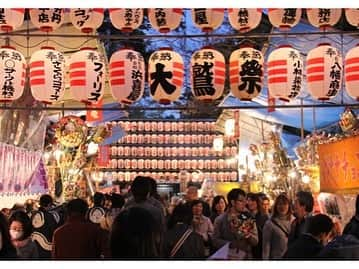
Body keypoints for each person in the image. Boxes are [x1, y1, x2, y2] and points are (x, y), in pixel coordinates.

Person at [212, 188, 258, 259]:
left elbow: (255, 241)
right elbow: (215, 240)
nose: (245, 203)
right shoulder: (220, 219)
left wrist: (248, 236)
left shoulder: (248, 218)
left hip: (245, 257)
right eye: (241, 201)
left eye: (245, 200)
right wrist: (230, 244)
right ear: (233, 202)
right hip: (227, 257)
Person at [262, 193, 294, 259]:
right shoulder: (270, 224)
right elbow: (266, 246)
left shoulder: (294, 221)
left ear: (289, 206)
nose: (282, 207)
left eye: (285, 204)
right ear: (276, 206)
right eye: (279, 204)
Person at [31, 194, 59, 258]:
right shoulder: (49, 216)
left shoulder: (32, 215)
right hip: (47, 250)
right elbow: (55, 232)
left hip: (33, 248)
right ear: (49, 204)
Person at [246, 192, 268, 259]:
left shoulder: (264, 216)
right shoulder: (246, 216)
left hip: (261, 247)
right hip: (249, 247)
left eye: (252, 200)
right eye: (248, 200)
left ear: (257, 202)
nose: (250, 203)